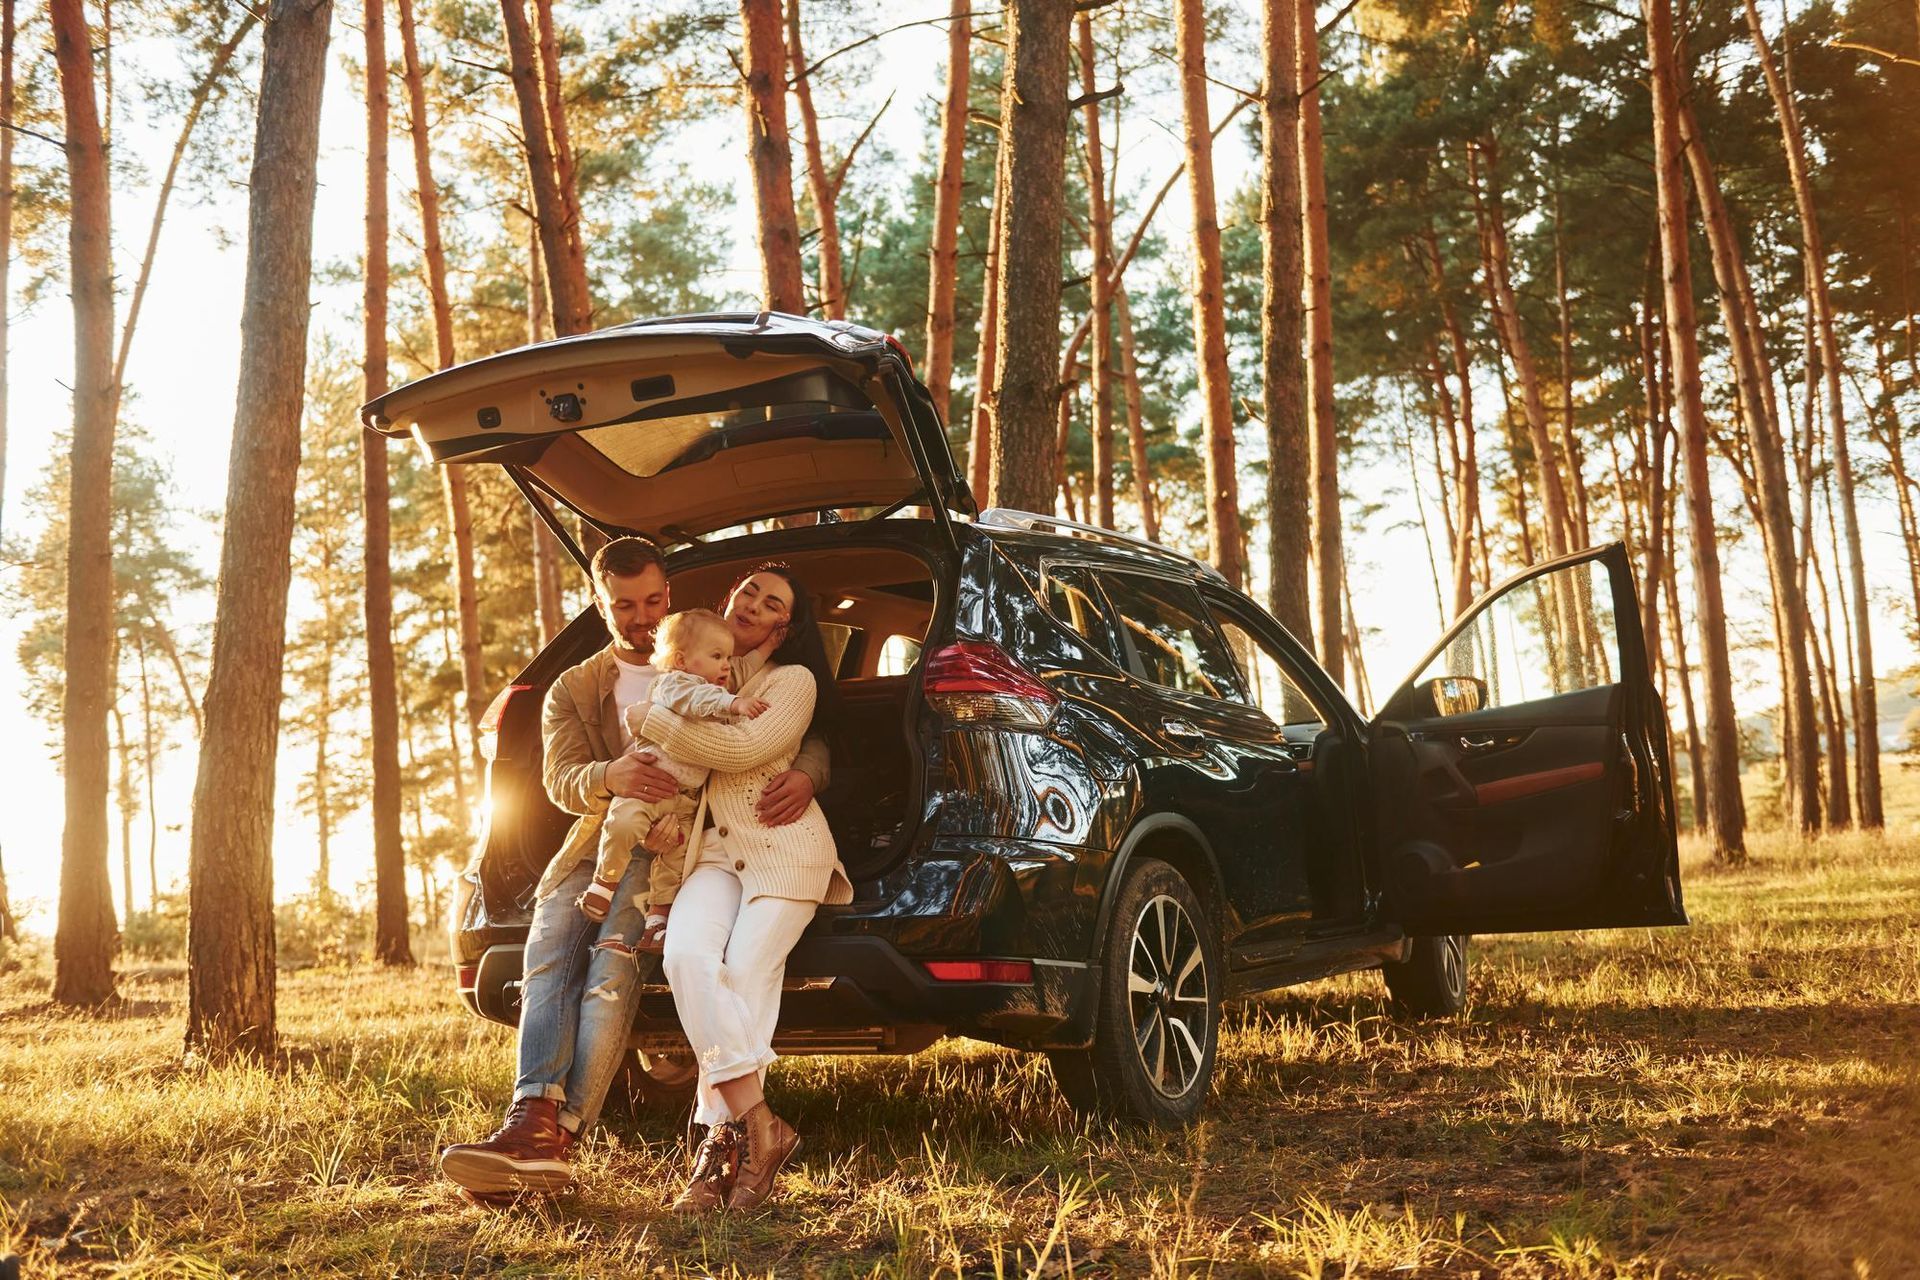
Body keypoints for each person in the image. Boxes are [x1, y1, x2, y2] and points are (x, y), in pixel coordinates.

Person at [438, 539, 827, 1201]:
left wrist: (814, 770)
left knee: (612, 967)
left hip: (672, 847)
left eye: (652, 600)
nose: (641, 615)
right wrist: (608, 774)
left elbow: (778, 731)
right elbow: (559, 780)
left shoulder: (717, 657)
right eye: (624, 604)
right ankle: (532, 1116)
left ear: (669, 596)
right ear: (600, 603)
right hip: (594, 841)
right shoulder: (577, 684)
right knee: (546, 954)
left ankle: (562, 1134)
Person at [649, 564, 851, 1214]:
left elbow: (741, 751)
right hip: (714, 853)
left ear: (781, 626)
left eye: (771, 604)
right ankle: (762, 1126)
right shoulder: (700, 674)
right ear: (728, 601)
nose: (755, 604)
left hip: (787, 852)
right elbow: (685, 717)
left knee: (742, 973)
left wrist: (652, 721)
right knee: (685, 958)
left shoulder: (794, 681)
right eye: (748, 593)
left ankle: (716, 1151)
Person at [579, 608, 770, 952]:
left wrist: (769, 646)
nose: (726, 665)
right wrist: (735, 703)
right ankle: (604, 881)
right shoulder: (674, 685)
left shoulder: (715, 690)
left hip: (686, 799)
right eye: (716, 656)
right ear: (681, 660)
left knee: (677, 862)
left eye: (728, 656)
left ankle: (657, 921)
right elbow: (696, 701)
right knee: (623, 822)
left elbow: (744, 668)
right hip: (648, 784)